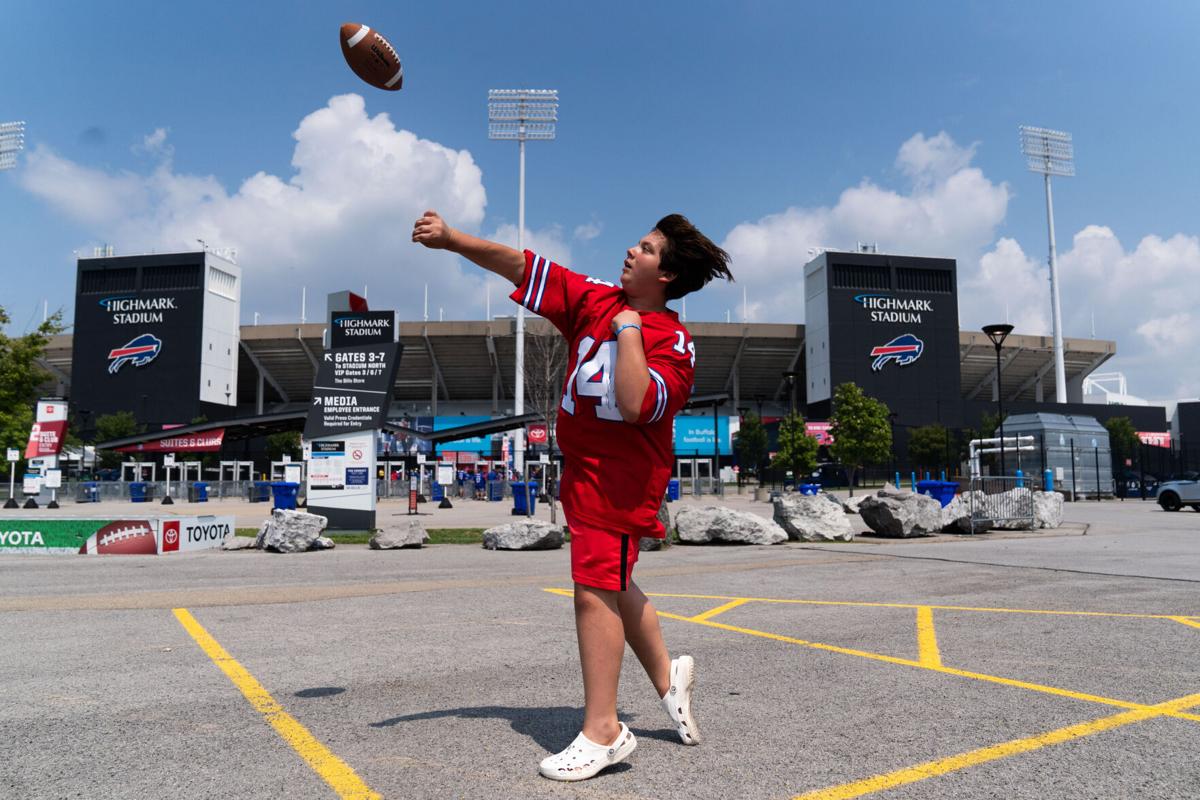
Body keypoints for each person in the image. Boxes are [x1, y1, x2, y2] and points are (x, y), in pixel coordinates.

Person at [412, 209, 733, 781]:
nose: (631, 251)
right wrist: (452, 240)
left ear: (667, 276)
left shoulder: (674, 341)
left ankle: (605, 732)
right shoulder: (594, 299)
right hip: (582, 473)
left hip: (621, 482)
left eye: (647, 248)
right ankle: (669, 678)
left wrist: (629, 326)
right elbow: (525, 267)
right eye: (636, 242)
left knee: (593, 592)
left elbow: (636, 403)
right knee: (614, 585)